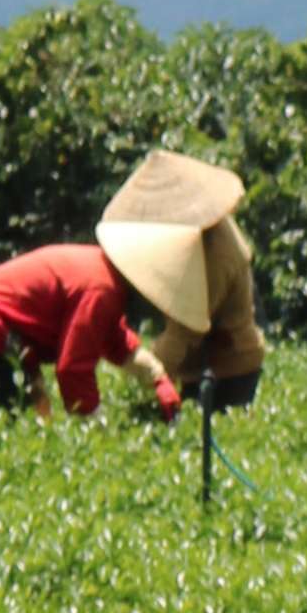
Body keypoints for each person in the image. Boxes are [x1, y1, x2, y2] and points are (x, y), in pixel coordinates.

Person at [0, 238, 181, 421]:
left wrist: (157, 378)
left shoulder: (98, 268)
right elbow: (73, 369)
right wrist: (96, 430)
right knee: (20, 438)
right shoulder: (101, 287)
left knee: (33, 425)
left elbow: (114, 338)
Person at [101, 148, 268, 417]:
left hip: (228, 370)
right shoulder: (206, 235)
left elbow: (188, 328)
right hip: (200, 366)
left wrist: (148, 374)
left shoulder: (215, 254)